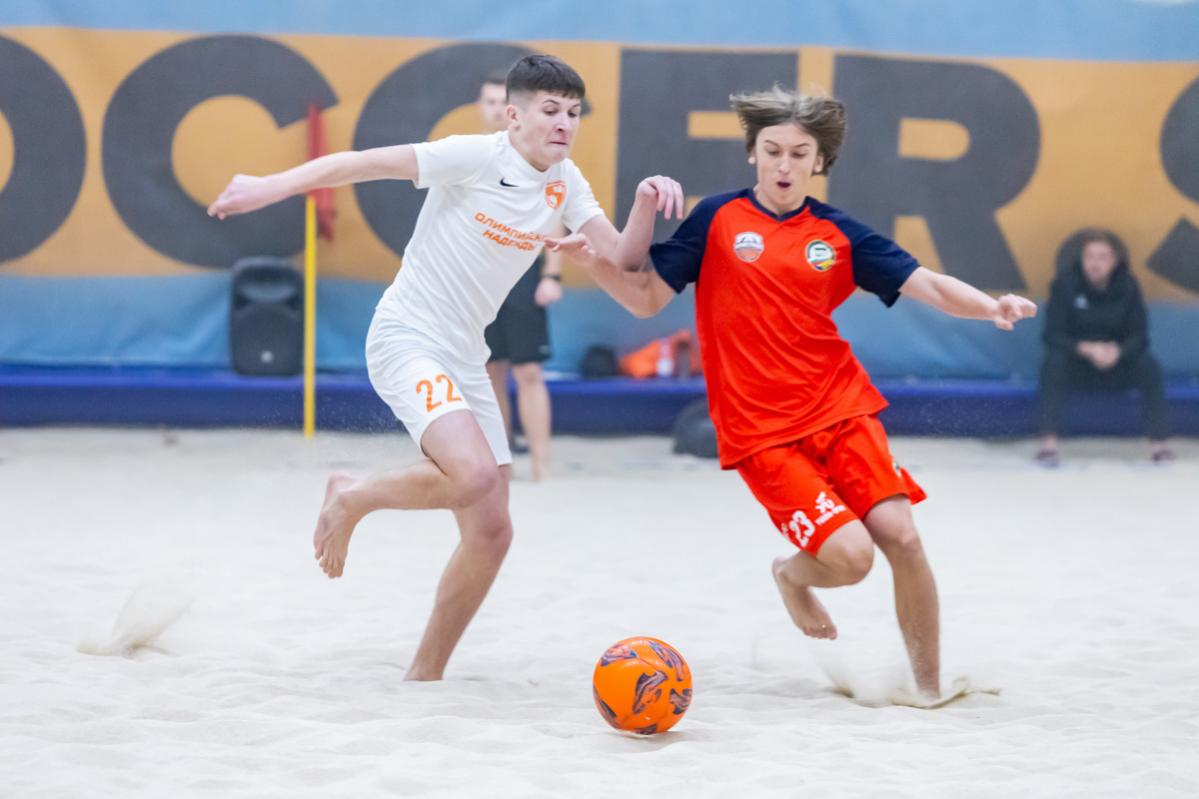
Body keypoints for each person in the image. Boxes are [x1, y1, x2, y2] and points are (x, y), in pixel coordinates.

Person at [207, 55, 683, 681]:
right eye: (550, 110)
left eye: (573, 113)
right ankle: (352, 495)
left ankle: (424, 674)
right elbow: (360, 163)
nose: (564, 123)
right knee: (473, 475)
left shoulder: (566, 182)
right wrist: (268, 186)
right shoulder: (475, 156)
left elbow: (623, 258)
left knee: (492, 534)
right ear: (513, 116)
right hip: (408, 336)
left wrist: (645, 201)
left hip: (464, 355)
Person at [553, 86, 1037, 700]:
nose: (784, 164)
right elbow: (645, 298)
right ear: (752, 154)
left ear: (819, 162)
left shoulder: (838, 234)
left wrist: (991, 307)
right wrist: (595, 264)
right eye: (773, 150)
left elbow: (932, 286)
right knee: (853, 558)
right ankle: (790, 577)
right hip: (761, 432)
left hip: (841, 405)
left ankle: (929, 689)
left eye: (799, 153)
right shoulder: (717, 219)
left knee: (903, 536)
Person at [478, 71, 563, 481]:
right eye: (490, 102)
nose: (497, 109)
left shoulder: (538, 158)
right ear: (481, 108)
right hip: (482, 281)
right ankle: (502, 464)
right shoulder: (474, 157)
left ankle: (542, 467)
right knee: (490, 371)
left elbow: (555, 215)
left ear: (517, 110)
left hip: (524, 277)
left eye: (503, 102)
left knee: (529, 371)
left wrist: (553, 275)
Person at [1036, 229, 1172, 465]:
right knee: (1052, 363)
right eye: (1089, 256)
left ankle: (1158, 446)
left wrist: (1118, 352)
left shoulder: (1128, 286)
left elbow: (1139, 336)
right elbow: (1052, 335)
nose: (1095, 263)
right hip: (1077, 363)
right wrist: (1086, 349)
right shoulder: (1064, 285)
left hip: (1117, 363)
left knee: (1149, 365)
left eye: (1102, 257)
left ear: (1114, 261)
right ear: (1081, 260)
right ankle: (1048, 445)